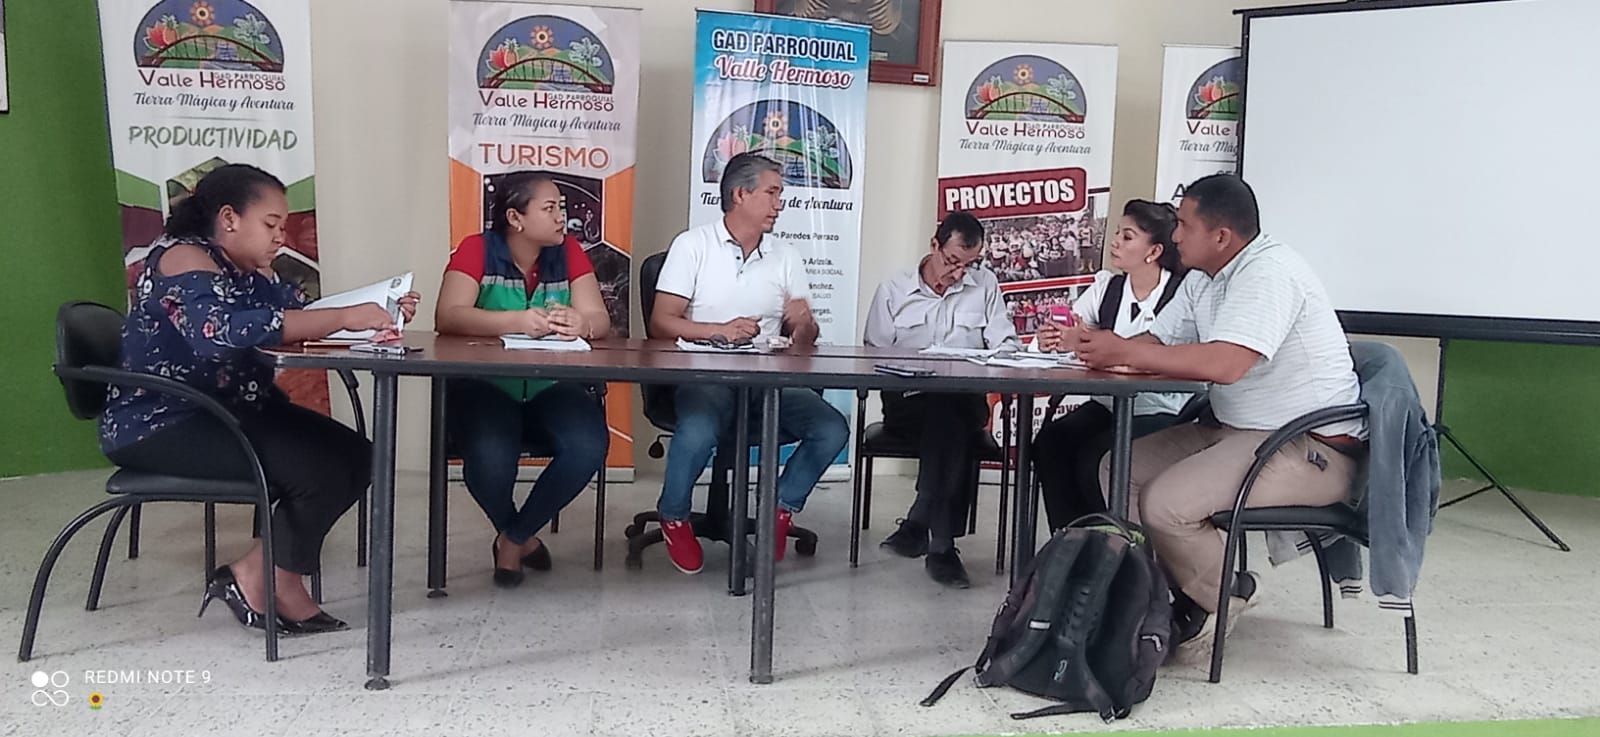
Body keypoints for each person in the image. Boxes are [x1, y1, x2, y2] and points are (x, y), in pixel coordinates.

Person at [100, 164, 419, 635]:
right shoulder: (184, 258)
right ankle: (270, 581)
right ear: (229, 218)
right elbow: (220, 333)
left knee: (360, 455)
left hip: (230, 409)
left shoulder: (244, 269)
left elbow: (299, 314)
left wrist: (380, 310)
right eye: (271, 225)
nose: (280, 237)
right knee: (317, 471)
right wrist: (343, 318)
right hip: (163, 422)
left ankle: (259, 572)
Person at [1075, 174, 1366, 662]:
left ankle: (1227, 593)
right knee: (1118, 468)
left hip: (1309, 446)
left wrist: (1124, 352)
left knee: (1165, 504)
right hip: (1237, 429)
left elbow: (1226, 363)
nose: (1175, 236)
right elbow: (1159, 341)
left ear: (1221, 236)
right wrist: (1104, 349)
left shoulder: (1268, 273)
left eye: (1184, 226)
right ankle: (1159, 601)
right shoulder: (1204, 278)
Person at [649, 152, 850, 575]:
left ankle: (780, 508)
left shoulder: (786, 255)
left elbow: (804, 341)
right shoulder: (693, 245)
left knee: (831, 427)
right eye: (772, 193)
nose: (780, 203)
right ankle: (674, 515)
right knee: (699, 430)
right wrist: (718, 331)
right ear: (740, 194)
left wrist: (804, 323)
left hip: (767, 379)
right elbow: (661, 322)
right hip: (704, 373)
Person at [435, 171, 611, 588]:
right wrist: (514, 321)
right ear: (515, 218)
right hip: (487, 384)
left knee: (589, 445)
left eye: (561, 208)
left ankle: (513, 539)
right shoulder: (477, 249)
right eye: (549, 209)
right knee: (491, 457)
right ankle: (520, 535)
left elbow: (600, 319)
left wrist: (581, 323)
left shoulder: (569, 252)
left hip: (553, 384)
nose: (561, 217)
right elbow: (448, 315)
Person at [862, 211, 1018, 587]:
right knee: (948, 421)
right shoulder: (894, 290)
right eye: (952, 261)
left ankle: (921, 522)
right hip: (908, 401)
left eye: (969, 265)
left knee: (949, 413)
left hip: (964, 400)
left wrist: (998, 356)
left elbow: (1006, 343)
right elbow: (872, 356)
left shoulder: (985, 285)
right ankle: (942, 547)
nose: (959, 273)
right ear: (934, 245)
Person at [1029, 199, 1191, 531]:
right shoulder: (1106, 288)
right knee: (1052, 442)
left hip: (1160, 410)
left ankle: (1113, 546)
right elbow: (1069, 334)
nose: (1114, 242)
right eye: (1117, 233)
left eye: (1127, 237)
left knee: (1097, 457)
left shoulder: (1182, 294)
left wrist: (1085, 342)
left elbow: (1165, 353)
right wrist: (1052, 340)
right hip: (1107, 404)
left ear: (1154, 251)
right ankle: (1072, 539)